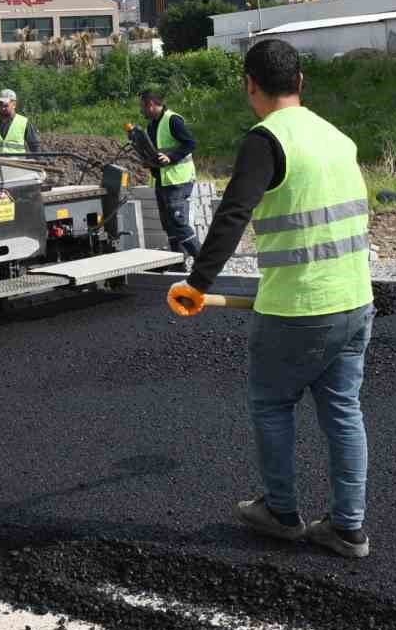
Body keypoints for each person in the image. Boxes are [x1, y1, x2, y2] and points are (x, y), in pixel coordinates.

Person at [166, 39, 374, 559]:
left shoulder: (267, 139)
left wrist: (198, 284)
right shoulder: (338, 138)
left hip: (297, 311)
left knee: (272, 404)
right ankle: (348, 528)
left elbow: (232, 214)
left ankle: (281, 513)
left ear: (250, 86)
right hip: (355, 302)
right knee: (344, 411)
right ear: (301, 83)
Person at [137, 90, 201, 259]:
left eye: (142, 106)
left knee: (178, 223)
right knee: (169, 226)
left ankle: (204, 262)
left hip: (178, 180)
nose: (140, 110)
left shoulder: (173, 120)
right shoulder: (151, 125)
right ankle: (179, 263)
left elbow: (190, 143)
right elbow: (156, 152)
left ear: (150, 104)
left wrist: (170, 157)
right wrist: (149, 162)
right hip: (163, 180)